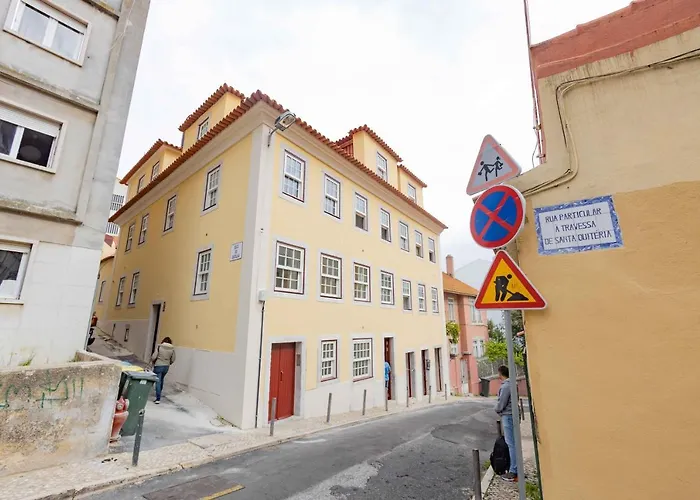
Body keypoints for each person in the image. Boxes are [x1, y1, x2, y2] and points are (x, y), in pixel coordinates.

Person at [495, 365, 517, 482]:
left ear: (500, 374)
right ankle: (515, 467)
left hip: (507, 416)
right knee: (514, 443)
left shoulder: (506, 386)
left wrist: (497, 409)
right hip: (512, 415)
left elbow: (501, 403)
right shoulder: (512, 384)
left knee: (511, 443)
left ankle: (513, 470)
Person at [150, 337, 176, 404]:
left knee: (158, 381)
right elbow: (173, 359)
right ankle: (159, 393)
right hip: (166, 366)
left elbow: (154, 356)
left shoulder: (159, 347)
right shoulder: (172, 349)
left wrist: (153, 360)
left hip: (158, 365)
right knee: (161, 379)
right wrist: (168, 363)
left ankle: (158, 398)